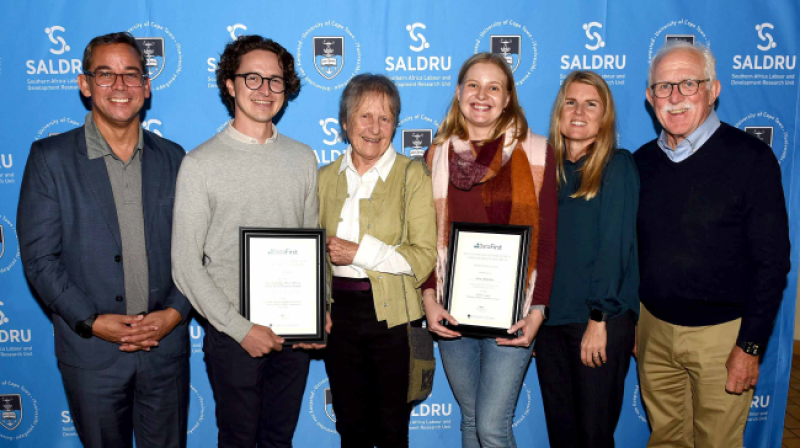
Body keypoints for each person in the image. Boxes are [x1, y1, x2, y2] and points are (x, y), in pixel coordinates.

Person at [17, 32, 191, 448]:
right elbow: (40, 259)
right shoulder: (50, 159)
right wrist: (93, 322)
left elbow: (197, 250)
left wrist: (174, 314)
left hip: (164, 348)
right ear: (85, 84)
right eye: (106, 74)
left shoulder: (175, 159)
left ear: (146, 88)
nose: (119, 86)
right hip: (91, 354)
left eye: (131, 75)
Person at [635, 41, 790, 447]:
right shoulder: (641, 164)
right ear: (650, 98)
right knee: (665, 438)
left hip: (723, 338)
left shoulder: (751, 160)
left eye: (689, 83)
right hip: (653, 330)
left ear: (713, 89)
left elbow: (772, 262)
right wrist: (634, 324)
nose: (676, 97)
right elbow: (632, 252)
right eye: (664, 87)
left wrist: (750, 346)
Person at [171, 35, 318, 447]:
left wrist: (320, 308)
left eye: (275, 80)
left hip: (295, 332)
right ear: (230, 85)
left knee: (279, 439)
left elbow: (312, 244)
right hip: (232, 334)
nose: (265, 90)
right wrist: (239, 329)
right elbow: (184, 264)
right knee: (237, 440)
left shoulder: (303, 158)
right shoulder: (199, 164)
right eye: (252, 78)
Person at [421, 52, 557, 447]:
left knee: (492, 426)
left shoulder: (536, 152)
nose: (483, 95)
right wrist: (428, 296)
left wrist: (538, 311)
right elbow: (426, 237)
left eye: (494, 87)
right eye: (474, 85)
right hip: (450, 310)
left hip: (516, 312)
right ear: (459, 92)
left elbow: (546, 240)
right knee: (470, 420)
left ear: (509, 96)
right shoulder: (437, 155)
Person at [318, 73, 437, 447]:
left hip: (395, 318)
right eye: (364, 116)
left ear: (395, 125)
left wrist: (359, 253)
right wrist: (315, 308)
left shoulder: (412, 174)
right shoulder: (322, 178)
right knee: (350, 428)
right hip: (338, 317)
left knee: (391, 430)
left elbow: (423, 257)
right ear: (345, 123)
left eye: (384, 118)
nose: (374, 127)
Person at [535, 70, 639, 448]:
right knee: (562, 436)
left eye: (590, 103)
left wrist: (600, 319)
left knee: (594, 437)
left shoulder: (617, 165)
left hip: (598, 322)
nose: (579, 111)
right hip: (549, 322)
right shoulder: (547, 170)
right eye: (571, 102)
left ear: (605, 115)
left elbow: (615, 248)